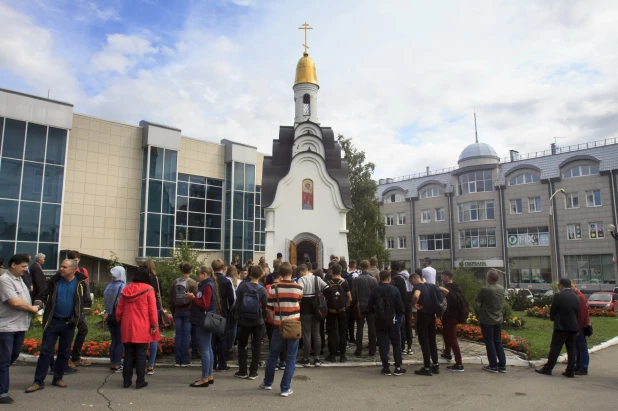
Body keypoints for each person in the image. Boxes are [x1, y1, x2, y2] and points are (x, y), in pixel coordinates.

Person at [26, 259, 92, 393]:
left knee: (64, 352)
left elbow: (87, 304)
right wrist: (38, 305)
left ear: (73, 270)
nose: (61, 269)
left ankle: (58, 378)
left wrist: (76, 318)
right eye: (61, 266)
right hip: (53, 322)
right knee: (45, 352)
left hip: (69, 323)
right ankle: (38, 381)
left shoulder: (81, 284)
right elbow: (42, 296)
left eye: (64, 267)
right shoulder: (53, 281)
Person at [0, 254, 39, 404]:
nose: (25, 269)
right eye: (22, 266)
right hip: (6, 327)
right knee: (4, 360)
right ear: (13, 265)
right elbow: (14, 302)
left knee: (12, 356)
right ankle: (2, 392)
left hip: (20, 326)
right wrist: (33, 308)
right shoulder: (4, 280)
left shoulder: (19, 279)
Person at [261, 262, 303, 397]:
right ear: (291, 272)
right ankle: (285, 388)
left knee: (273, 355)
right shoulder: (298, 288)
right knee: (291, 357)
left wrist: (274, 321)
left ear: (279, 273)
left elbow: (269, 309)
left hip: (279, 325)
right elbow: (298, 302)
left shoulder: (274, 288)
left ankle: (267, 382)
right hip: (293, 324)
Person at [115, 266, 160, 389]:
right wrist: (154, 324)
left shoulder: (126, 289)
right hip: (142, 325)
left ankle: (126, 381)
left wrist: (119, 321)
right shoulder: (148, 289)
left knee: (128, 354)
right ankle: (140, 381)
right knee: (141, 354)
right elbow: (152, 309)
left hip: (127, 325)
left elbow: (119, 309)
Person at [535, 278, 580, 378]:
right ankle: (570, 371)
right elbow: (577, 311)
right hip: (573, 326)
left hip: (561, 326)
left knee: (555, 348)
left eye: (559, 285)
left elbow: (553, 309)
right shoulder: (575, 296)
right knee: (571, 349)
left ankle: (548, 368)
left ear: (562, 285)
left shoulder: (559, 295)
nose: (559, 287)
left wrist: (552, 318)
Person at [234, 266, 268, 379]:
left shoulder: (243, 287)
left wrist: (239, 316)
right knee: (257, 345)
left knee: (242, 344)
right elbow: (265, 307)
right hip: (258, 321)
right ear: (261, 275)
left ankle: (242, 370)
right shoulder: (262, 289)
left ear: (250, 274)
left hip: (244, 320)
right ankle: (253, 372)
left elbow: (238, 303)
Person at [369, 270, 405, 376]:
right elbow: (400, 307)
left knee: (383, 343)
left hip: (380, 320)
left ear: (380, 278)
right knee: (396, 343)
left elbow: (370, 306)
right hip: (393, 320)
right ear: (389, 278)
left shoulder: (375, 290)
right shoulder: (395, 290)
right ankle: (398, 367)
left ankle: (386, 367)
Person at [187, 265, 219, 387]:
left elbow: (204, 304)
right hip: (207, 318)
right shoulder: (209, 284)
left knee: (205, 348)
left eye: (198, 274)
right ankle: (209, 375)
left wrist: (193, 297)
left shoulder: (207, 286)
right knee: (208, 347)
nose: (197, 276)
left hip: (203, 319)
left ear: (204, 274)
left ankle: (205, 377)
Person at [296, 264, 328, 367]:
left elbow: (299, 293)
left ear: (301, 272)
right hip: (317, 308)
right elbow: (327, 287)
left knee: (307, 334)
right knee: (316, 333)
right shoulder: (317, 278)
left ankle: (306, 358)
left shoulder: (301, 280)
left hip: (305, 308)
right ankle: (317, 358)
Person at [476, 269, 506, 373]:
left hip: (487, 319)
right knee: (498, 341)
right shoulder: (501, 288)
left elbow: (477, 299)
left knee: (490, 342)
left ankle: (493, 365)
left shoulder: (486, 289)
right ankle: (502, 365)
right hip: (498, 318)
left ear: (489, 278)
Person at [168, 262, 198, 367]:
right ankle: (185, 359)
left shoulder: (174, 282)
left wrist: (173, 311)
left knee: (178, 335)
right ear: (190, 271)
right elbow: (196, 299)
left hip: (177, 311)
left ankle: (178, 359)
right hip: (188, 311)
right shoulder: (193, 283)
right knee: (186, 336)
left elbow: (170, 298)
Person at [410, 273, 439, 376]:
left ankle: (427, 367)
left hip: (423, 315)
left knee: (424, 341)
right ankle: (435, 365)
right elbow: (445, 291)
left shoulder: (418, 287)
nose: (412, 284)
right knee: (432, 340)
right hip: (432, 315)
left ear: (414, 279)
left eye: (411, 282)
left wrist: (414, 304)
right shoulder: (431, 286)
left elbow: (416, 295)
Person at [66, 250, 91, 369]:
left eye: (77, 261)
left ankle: (75, 356)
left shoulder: (83, 271)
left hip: (80, 307)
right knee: (67, 332)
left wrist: (87, 304)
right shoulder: (65, 272)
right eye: (73, 261)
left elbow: (86, 287)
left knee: (83, 329)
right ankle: (67, 358)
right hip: (69, 307)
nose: (76, 263)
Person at [324, 264, 352, 362]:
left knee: (331, 331)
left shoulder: (327, 283)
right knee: (343, 332)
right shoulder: (344, 283)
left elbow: (324, 298)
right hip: (342, 310)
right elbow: (350, 298)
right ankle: (342, 354)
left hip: (331, 310)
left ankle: (332, 354)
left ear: (331, 272)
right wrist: (345, 306)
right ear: (340, 272)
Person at [440, 270, 467, 371]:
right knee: (446, 333)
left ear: (446, 277)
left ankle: (459, 363)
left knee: (452, 337)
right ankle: (447, 353)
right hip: (453, 315)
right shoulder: (457, 287)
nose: (441, 277)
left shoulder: (448, 289)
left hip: (451, 315)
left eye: (442, 276)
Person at [211, 259, 235, 371]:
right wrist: (229, 308)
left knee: (212, 339)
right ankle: (222, 364)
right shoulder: (226, 281)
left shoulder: (209, 280)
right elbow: (231, 298)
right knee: (222, 339)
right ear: (223, 268)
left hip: (211, 312)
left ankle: (212, 363)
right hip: (223, 312)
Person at [352, 260, 378, 357]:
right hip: (371, 306)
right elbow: (376, 294)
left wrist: (353, 304)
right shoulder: (374, 280)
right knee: (372, 328)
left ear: (360, 267)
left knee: (359, 328)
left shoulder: (356, 280)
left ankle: (359, 349)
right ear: (369, 266)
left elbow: (354, 294)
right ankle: (372, 349)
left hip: (360, 306)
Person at [104, 266, 126, 373]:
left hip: (110, 315)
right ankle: (117, 364)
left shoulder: (108, 286)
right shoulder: (122, 286)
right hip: (119, 316)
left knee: (114, 340)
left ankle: (112, 362)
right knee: (120, 340)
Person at [265, 270, 287, 369]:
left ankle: (275, 361)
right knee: (283, 339)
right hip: (282, 316)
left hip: (270, 317)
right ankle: (283, 360)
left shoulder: (267, 287)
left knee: (272, 339)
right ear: (280, 278)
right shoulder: (283, 287)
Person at [144, 260, 163, 374]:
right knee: (154, 336)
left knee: (142, 335)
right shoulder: (156, 279)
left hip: (143, 308)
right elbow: (160, 293)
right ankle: (151, 365)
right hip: (155, 308)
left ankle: (141, 360)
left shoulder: (143, 279)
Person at [572, 282, 591, 375]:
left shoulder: (580, 297)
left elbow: (582, 314)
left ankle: (583, 367)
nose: (570, 288)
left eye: (572, 286)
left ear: (575, 286)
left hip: (580, 326)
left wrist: (578, 328)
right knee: (577, 347)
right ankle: (578, 365)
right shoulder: (575, 296)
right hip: (576, 325)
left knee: (582, 347)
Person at [227, 264, 241, 357]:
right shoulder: (239, 282)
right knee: (234, 327)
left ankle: (225, 344)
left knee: (226, 326)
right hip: (236, 307)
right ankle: (231, 345)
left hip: (227, 306)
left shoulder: (227, 280)